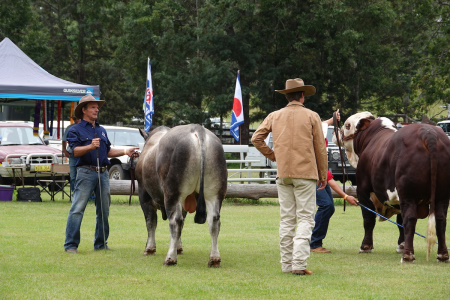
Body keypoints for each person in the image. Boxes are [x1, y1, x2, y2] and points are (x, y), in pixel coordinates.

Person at [251, 78, 328, 276]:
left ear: (287, 96)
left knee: (287, 219)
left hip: (283, 173)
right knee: (305, 218)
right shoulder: (312, 116)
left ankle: (286, 264)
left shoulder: (274, 116)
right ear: (302, 96)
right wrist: (323, 175)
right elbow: (320, 148)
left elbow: (256, 138)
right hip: (306, 174)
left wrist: (273, 155)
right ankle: (298, 263)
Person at [64, 94, 138, 253]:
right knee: (77, 208)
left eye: (97, 107)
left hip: (103, 173)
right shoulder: (75, 130)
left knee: (104, 210)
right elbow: (74, 152)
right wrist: (90, 146)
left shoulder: (101, 130)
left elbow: (108, 151)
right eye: (93, 107)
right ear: (84, 110)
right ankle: (70, 245)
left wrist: (126, 151)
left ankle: (100, 244)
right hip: (85, 172)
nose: (97, 109)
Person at [311, 111, 359, 253]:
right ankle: (314, 243)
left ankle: (315, 241)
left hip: (321, 176)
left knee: (329, 207)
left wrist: (333, 118)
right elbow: (329, 178)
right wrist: (345, 196)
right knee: (326, 206)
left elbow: (324, 124)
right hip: (314, 177)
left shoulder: (318, 131)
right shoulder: (314, 147)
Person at [62, 116, 80, 192]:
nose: (76, 120)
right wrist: (64, 150)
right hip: (72, 154)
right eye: (74, 119)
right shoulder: (70, 128)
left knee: (83, 176)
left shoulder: (86, 128)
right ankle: (74, 195)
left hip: (83, 155)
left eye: (77, 118)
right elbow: (64, 140)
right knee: (73, 176)